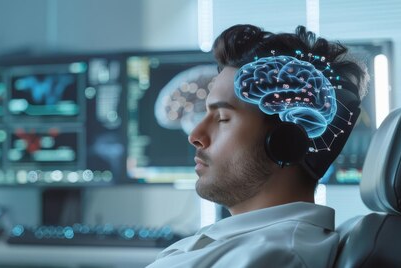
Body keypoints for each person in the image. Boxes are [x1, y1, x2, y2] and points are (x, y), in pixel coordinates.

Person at [147, 24, 368, 268]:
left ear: (286, 143)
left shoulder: (269, 258)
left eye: (222, 118)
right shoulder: (240, 243)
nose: (195, 135)